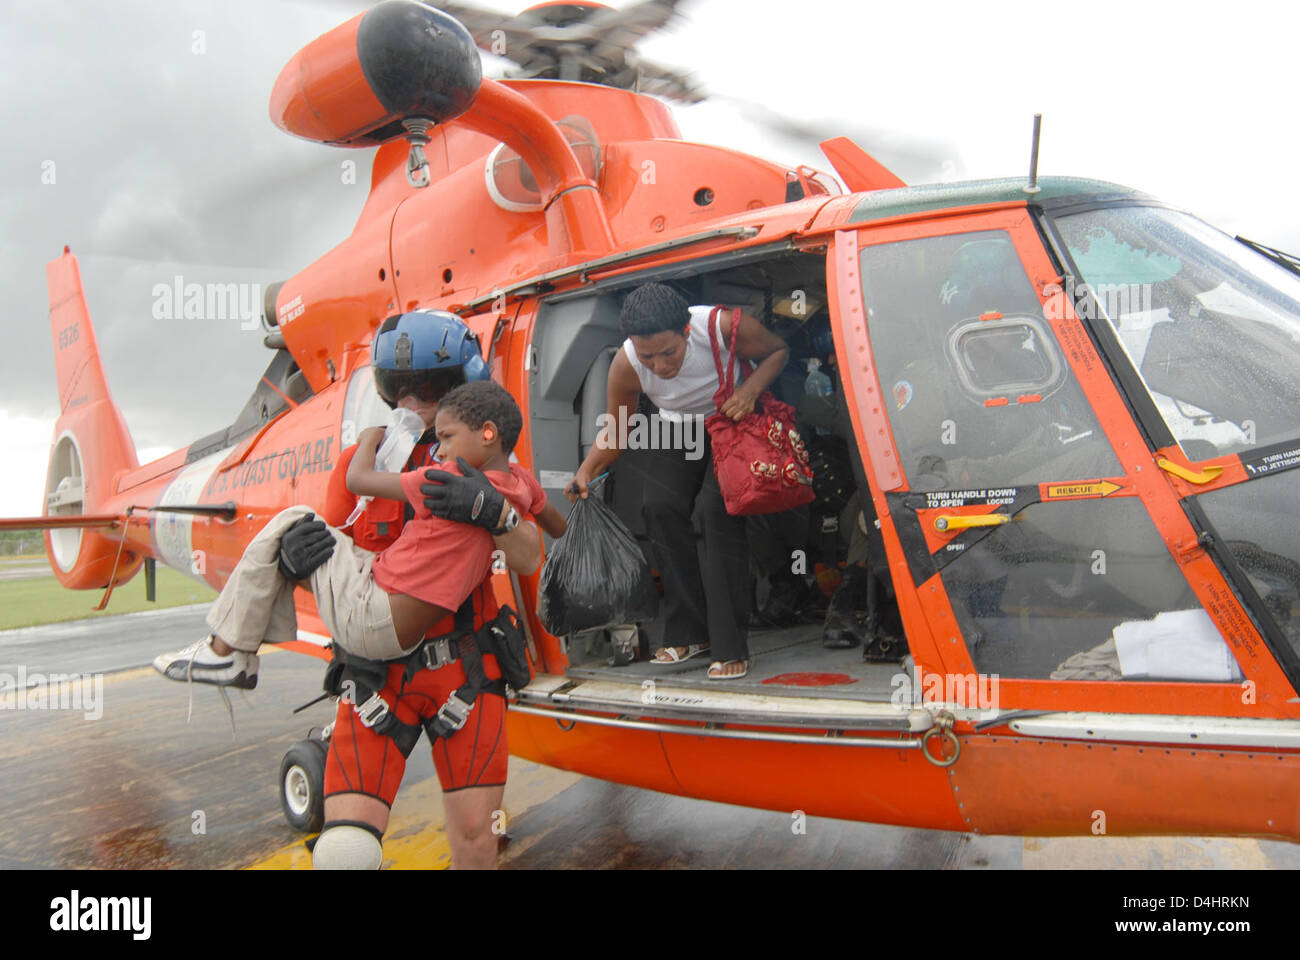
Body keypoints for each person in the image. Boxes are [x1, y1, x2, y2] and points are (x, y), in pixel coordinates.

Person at [153, 310, 543, 688]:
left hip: (463, 666)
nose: (411, 405)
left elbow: (527, 559)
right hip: (380, 672)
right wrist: (294, 561)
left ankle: (228, 649)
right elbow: (339, 567)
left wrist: (495, 513)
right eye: (398, 390)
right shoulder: (359, 464)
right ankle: (231, 651)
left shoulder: (485, 463)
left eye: (429, 390)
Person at [566, 282, 789, 680]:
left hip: (732, 421)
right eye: (648, 357)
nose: (660, 366)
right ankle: (689, 632)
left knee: (713, 515)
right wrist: (586, 471)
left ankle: (729, 645)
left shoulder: (721, 327)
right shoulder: (626, 364)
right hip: (679, 431)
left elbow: (779, 350)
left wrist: (750, 391)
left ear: (686, 332)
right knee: (659, 508)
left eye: (668, 353)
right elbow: (617, 433)